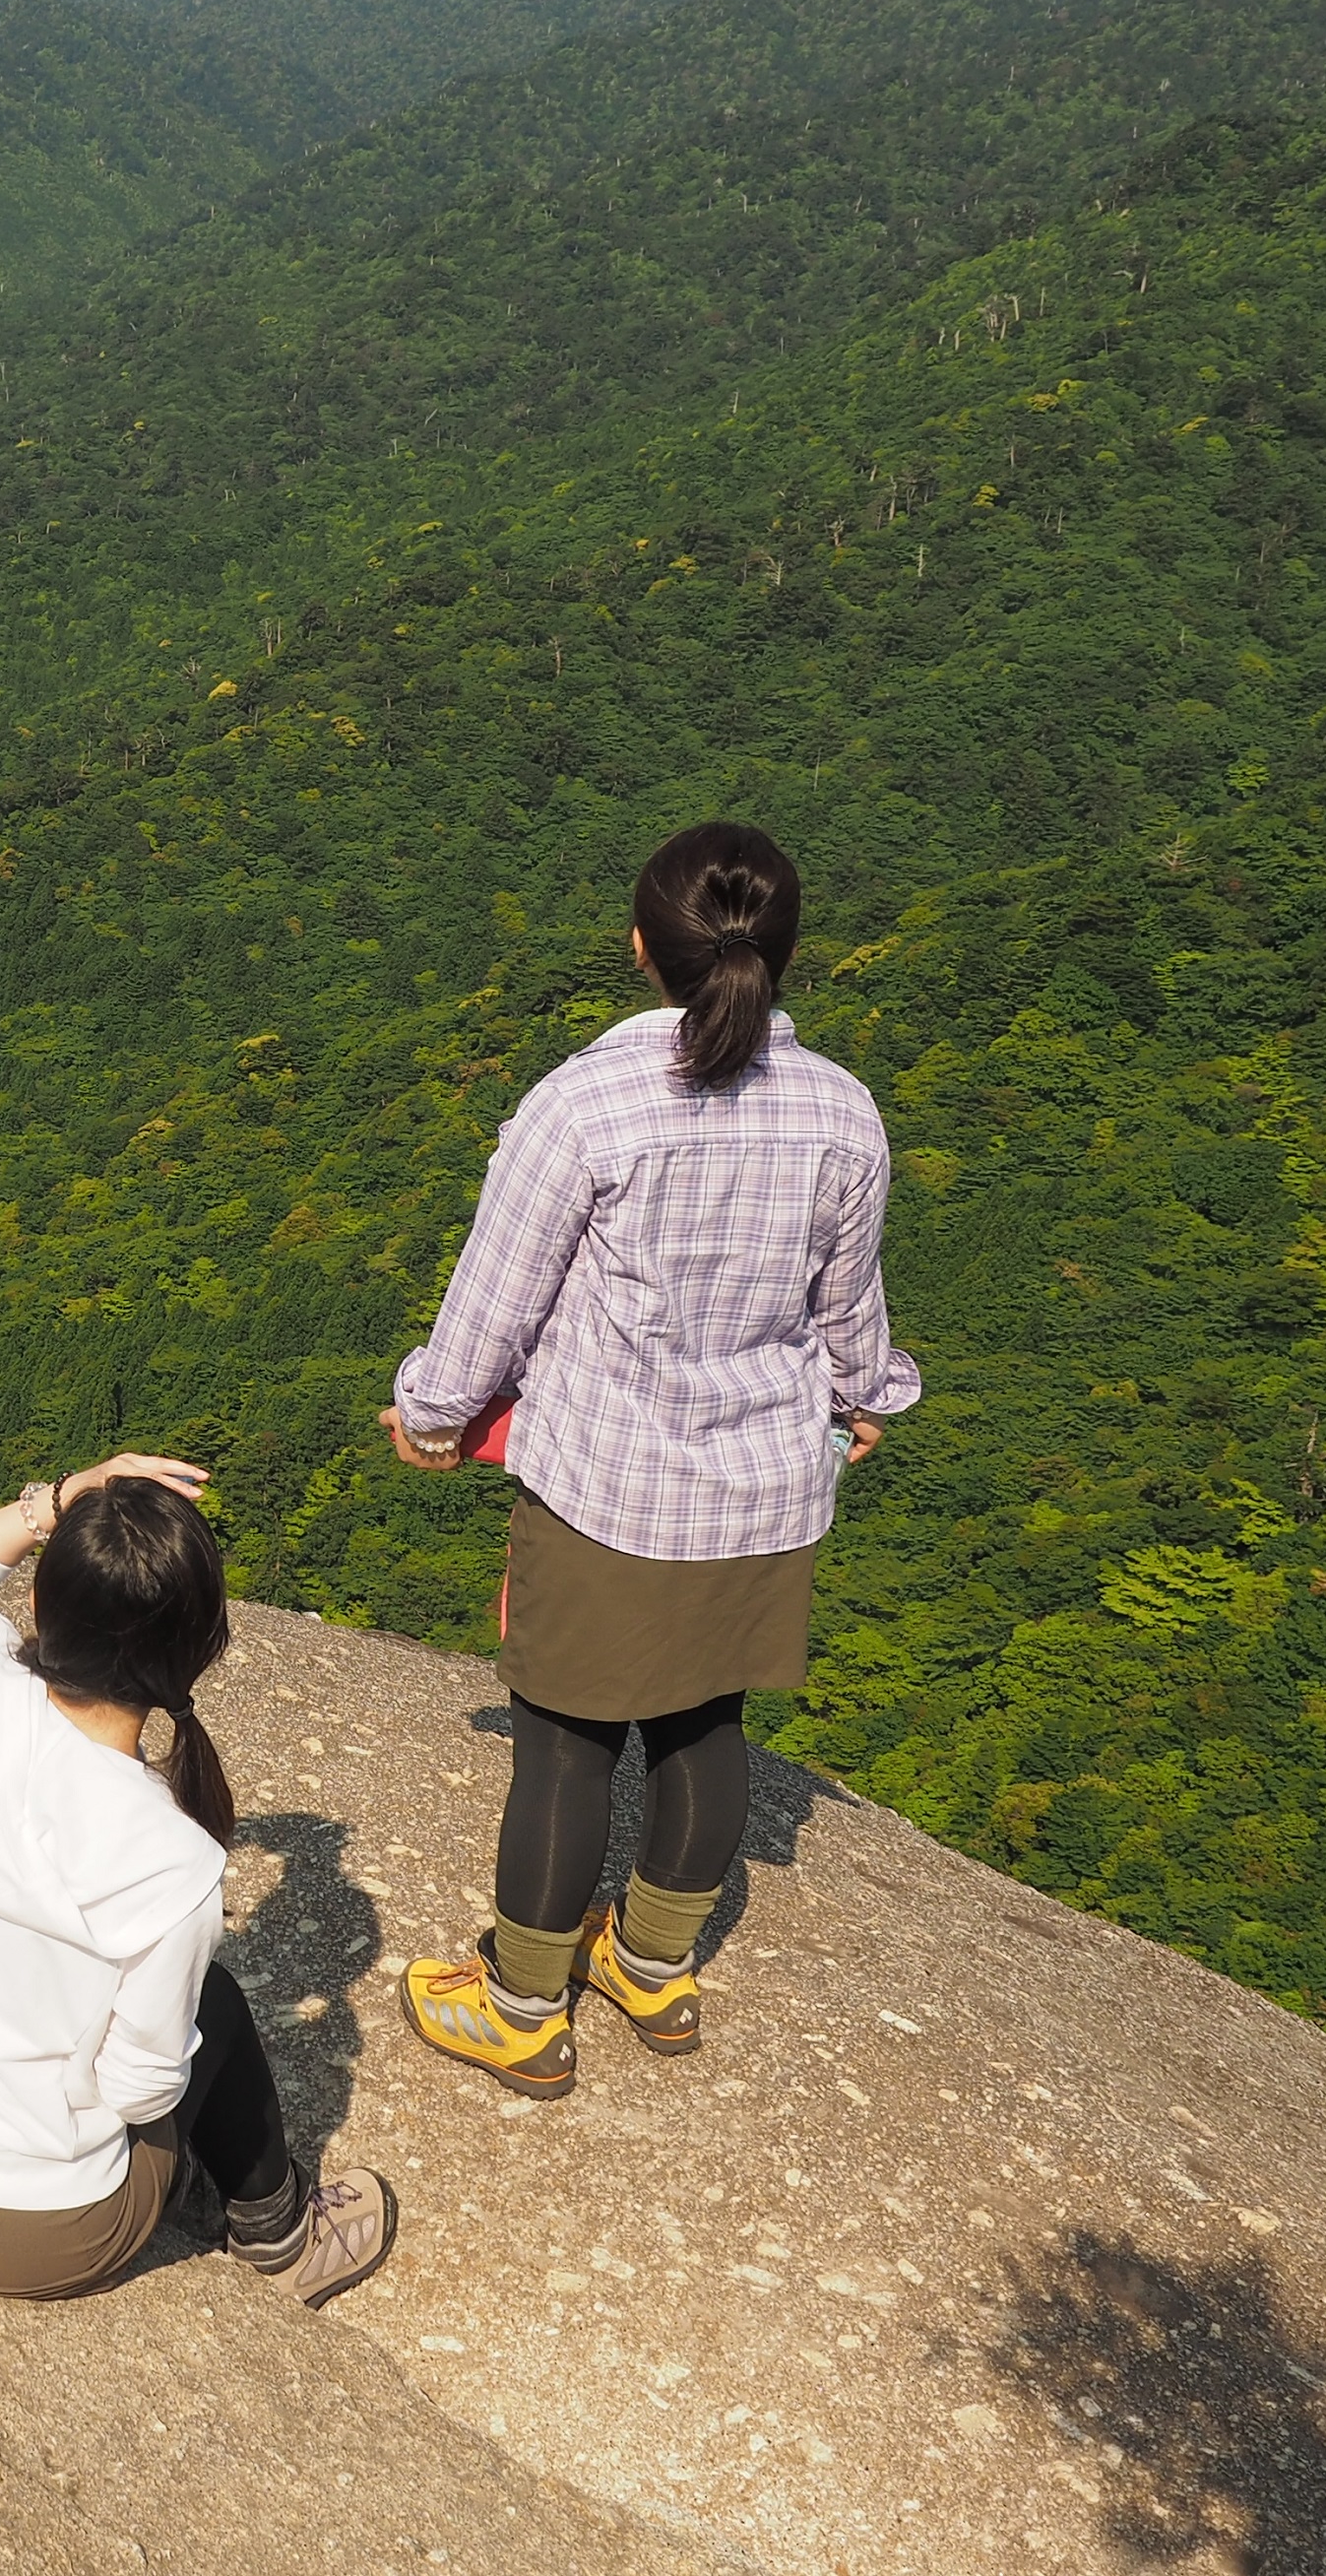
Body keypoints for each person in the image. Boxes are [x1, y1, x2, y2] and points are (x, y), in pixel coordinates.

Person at [381, 820, 920, 2098]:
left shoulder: (589, 1108)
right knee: (703, 1724)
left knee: (566, 1745)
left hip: (610, 1486)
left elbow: (493, 1305)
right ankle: (654, 1966)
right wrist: (868, 1396)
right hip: (765, 1489)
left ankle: (521, 2005)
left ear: (641, 948)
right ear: (783, 954)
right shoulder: (844, 1114)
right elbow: (849, 1310)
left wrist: (431, 1415)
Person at [0, 1452, 398, 2303]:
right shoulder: (174, 1860)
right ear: (202, 1653)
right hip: (26, 2234)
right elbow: (139, 2089)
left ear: (42, 1607)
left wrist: (56, 1503)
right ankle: (286, 2238)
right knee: (218, 2007)